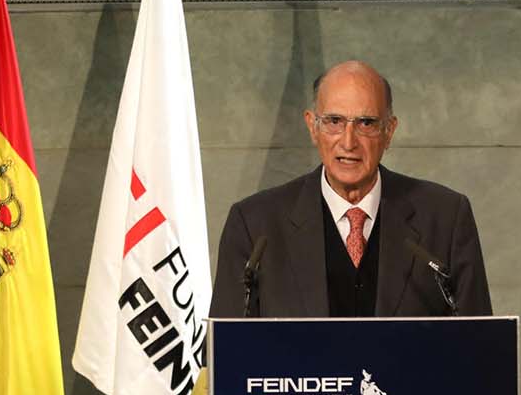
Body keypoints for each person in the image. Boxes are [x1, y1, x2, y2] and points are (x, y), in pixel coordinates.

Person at [208, 60, 491, 318]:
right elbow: (224, 355)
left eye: (366, 123)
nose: (348, 142)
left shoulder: (445, 219)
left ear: (389, 131)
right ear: (312, 126)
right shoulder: (255, 225)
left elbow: (481, 349)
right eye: (334, 121)